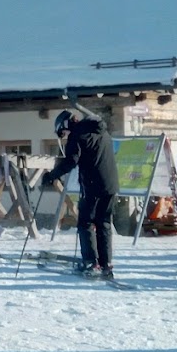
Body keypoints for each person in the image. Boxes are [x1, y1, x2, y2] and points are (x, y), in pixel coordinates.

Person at [42, 109, 119, 278]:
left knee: (85, 223)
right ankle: (106, 264)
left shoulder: (77, 135)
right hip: (111, 185)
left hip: (93, 185)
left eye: (64, 132)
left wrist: (51, 175)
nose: (65, 136)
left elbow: (71, 161)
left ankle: (91, 262)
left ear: (67, 125)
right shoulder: (102, 131)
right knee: (104, 223)